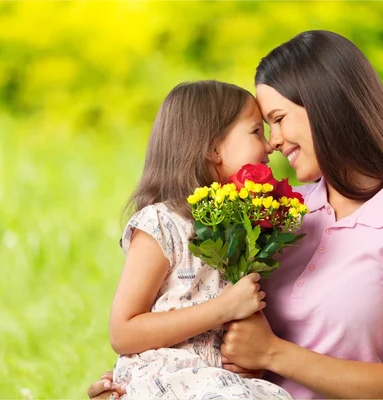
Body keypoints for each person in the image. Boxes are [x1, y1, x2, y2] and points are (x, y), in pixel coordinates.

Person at [88, 30, 383, 399]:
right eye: (264, 127)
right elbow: (192, 313)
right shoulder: (277, 212)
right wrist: (140, 382)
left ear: (325, 105)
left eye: (279, 118)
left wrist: (272, 353)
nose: (274, 142)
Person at [106, 80, 292, 399]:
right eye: (255, 132)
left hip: (219, 381)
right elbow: (123, 333)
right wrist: (223, 308)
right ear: (213, 149)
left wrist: (249, 363)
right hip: (167, 378)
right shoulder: (162, 224)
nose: (271, 144)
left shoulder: (241, 226)